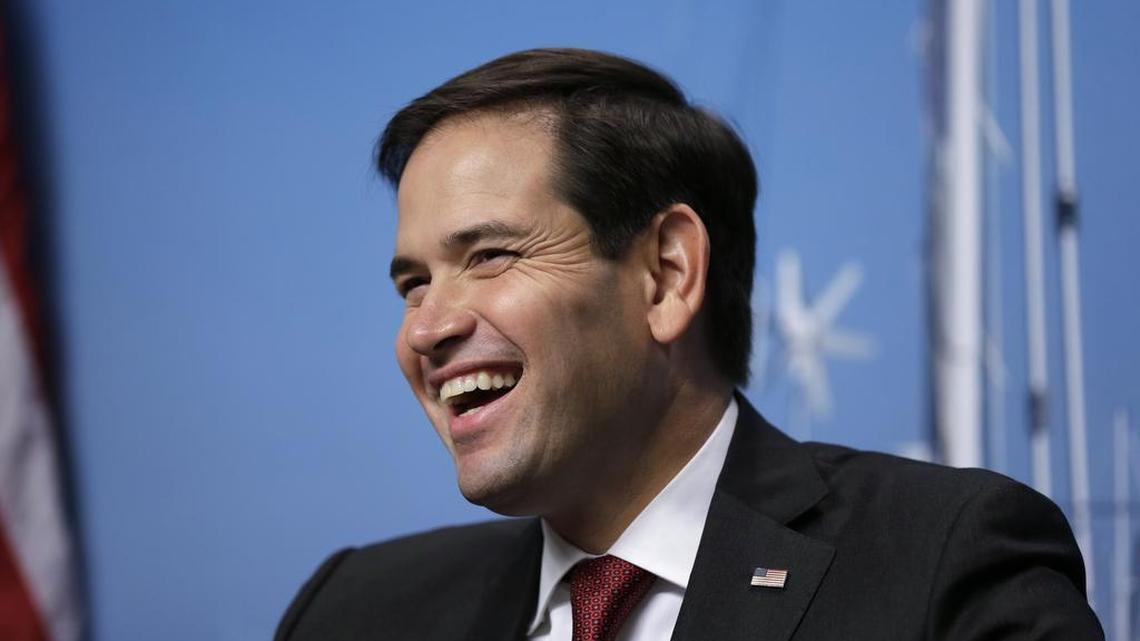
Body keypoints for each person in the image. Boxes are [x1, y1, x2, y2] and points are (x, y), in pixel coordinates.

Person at [275, 48, 1103, 640]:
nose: (425, 328)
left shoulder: (941, 563)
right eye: (412, 283)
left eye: (489, 255)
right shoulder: (353, 609)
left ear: (667, 274)